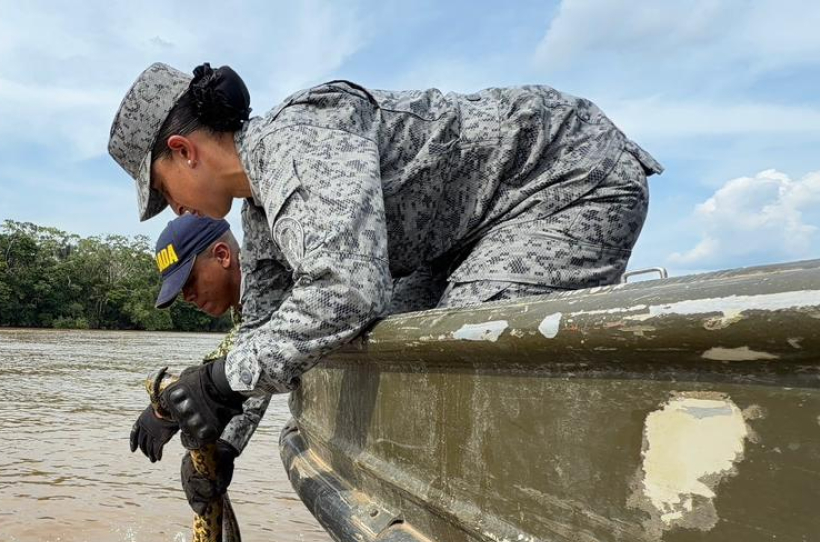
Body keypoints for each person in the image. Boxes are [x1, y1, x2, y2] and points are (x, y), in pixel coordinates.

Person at [108, 62, 661, 497]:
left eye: (163, 191)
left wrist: (219, 382)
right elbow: (265, 327)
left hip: (563, 178)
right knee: (378, 351)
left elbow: (347, 292)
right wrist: (224, 441)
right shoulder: (260, 209)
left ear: (183, 151)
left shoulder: (297, 143)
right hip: (458, 237)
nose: (173, 208)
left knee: (456, 360)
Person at [128, 213, 269, 512]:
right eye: (181, 290)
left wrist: (197, 397)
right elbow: (251, 370)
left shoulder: (271, 276)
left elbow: (266, 355)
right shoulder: (245, 306)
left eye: (189, 281)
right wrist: (170, 411)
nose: (187, 297)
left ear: (222, 255)